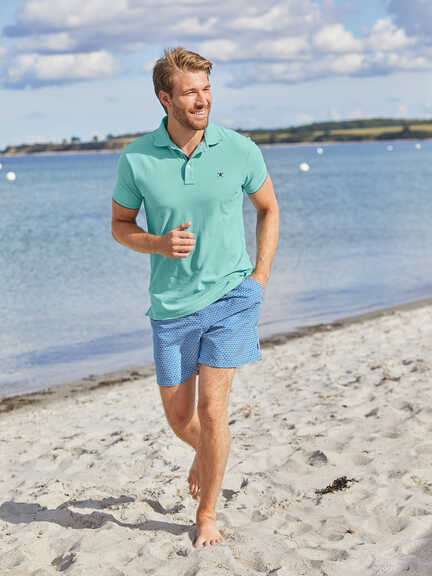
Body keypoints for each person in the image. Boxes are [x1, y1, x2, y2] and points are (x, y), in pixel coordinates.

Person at [111, 46, 279, 548]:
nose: (202, 100)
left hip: (232, 296)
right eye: (190, 92)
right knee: (180, 419)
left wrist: (259, 279)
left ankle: (206, 515)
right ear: (165, 99)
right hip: (171, 306)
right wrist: (157, 244)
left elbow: (268, 210)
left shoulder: (239, 149)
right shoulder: (137, 158)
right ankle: (207, 454)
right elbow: (120, 225)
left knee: (211, 411)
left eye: (207, 89)